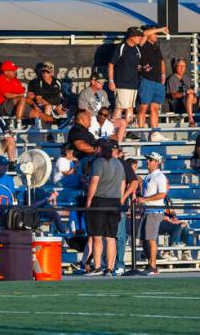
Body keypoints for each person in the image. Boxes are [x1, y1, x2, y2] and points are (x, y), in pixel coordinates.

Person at [85, 138, 126, 276]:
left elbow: (94, 182)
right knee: (111, 237)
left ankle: (97, 266)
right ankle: (110, 268)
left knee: (97, 236)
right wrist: (119, 200)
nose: (94, 150)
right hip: (114, 202)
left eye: (96, 148)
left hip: (99, 201)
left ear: (100, 149)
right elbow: (122, 183)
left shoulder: (98, 162)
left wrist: (89, 201)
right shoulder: (119, 163)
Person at [136, 152, 167, 275]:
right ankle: (150, 264)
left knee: (151, 239)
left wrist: (145, 199)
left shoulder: (160, 177)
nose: (148, 161)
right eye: (148, 159)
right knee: (144, 239)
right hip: (147, 210)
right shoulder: (149, 176)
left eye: (151, 160)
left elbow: (162, 194)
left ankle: (153, 266)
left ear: (157, 162)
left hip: (154, 210)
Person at [136, 27, 169, 141]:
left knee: (155, 109)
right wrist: (159, 29)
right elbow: (144, 33)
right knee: (143, 108)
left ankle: (154, 133)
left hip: (158, 83)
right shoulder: (143, 44)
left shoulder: (156, 47)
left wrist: (163, 75)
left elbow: (161, 62)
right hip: (147, 80)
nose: (157, 35)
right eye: (154, 33)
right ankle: (140, 133)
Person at [109, 27, 143, 131]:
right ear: (131, 36)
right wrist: (111, 81)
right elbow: (111, 64)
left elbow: (135, 65)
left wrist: (141, 68)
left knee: (130, 108)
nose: (140, 38)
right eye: (138, 36)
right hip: (122, 83)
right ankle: (114, 130)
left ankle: (127, 131)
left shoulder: (137, 49)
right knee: (119, 107)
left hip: (133, 83)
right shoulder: (121, 47)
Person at [166, 57, 196, 125]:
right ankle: (191, 120)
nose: (182, 68)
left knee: (192, 96)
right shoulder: (172, 79)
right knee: (190, 95)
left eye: (183, 66)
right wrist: (185, 93)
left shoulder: (187, 79)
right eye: (180, 66)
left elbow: (192, 92)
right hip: (177, 104)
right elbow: (173, 95)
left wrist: (194, 97)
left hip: (189, 102)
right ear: (175, 67)